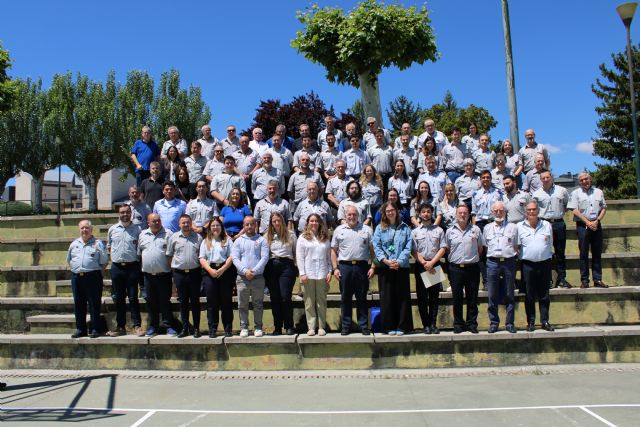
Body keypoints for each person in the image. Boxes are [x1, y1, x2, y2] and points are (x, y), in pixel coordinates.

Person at [331, 205, 375, 335]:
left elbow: (373, 251)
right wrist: (335, 268)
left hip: (362, 267)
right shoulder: (339, 230)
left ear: (359, 216)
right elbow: (333, 250)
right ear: (345, 216)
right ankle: (346, 326)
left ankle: (363, 326)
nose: (352, 216)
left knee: (362, 297)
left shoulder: (367, 230)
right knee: (345, 298)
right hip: (345, 267)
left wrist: (373, 267)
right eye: (349, 214)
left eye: (354, 214)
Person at [443, 204, 486, 334]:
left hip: (472, 268)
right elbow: (447, 248)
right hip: (456, 269)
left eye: (465, 213)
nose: (462, 215)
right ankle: (458, 323)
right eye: (460, 213)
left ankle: (472, 323)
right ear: (456, 215)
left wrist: (471, 258)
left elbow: (480, 248)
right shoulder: (449, 231)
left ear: (469, 215)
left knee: (472, 297)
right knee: (457, 298)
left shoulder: (476, 230)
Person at [373, 202, 413, 335]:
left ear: (397, 211)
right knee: (387, 298)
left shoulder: (405, 228)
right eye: (387, 211)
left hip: (401, 267)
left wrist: (399, 262)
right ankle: (388, 327)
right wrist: (386, 261)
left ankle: (402, 326)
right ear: (384, 213)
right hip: (385, 267)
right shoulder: (379, 228)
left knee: (402, 298)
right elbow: (376, 247)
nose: (390, 212)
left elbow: (408, 247)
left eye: (392, 210)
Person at [106, 205, 144, 337]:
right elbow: (109, 246)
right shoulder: (112, 229)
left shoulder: (138, 229)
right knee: (119, 298)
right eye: (122, 212)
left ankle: (137, 326)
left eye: (127, 212)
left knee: (133, 298)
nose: (125, 214)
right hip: (117, 268)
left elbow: (140, 248)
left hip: (132, 267)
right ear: (119, 214)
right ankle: (120, 327)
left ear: (131, 213)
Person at [518, 201, 555, 332]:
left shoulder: (546, 225)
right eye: (529, 210)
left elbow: (550, 243)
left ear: (538, 211)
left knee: (545, 294)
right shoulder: (519, 227)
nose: (532, 212)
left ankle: (545, 321)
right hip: (528, 265)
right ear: (526, 212)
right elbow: (517, 247)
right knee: (529, 295)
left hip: (544, 264)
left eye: (534, 209)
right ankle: (531, 322)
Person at [138, 214, 177, 337]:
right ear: (148, 222)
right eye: (154, 221)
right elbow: (139, 253)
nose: (157, 222)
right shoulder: (142, 234)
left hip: (164, 275)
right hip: (148, 275)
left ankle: (169, 326)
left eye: (159, 220)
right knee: (151, 302)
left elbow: (173, 254)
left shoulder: (168, 234)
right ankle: (153, 326)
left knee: (165, 301)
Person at [67, 220, 108, 338]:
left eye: (87, 228)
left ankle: (95, 329)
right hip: (77, 277)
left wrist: (96, 273)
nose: (84, 230)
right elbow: (69, 260)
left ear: (91, 230)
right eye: (82, 228)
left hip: (93, 277)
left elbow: (104, 262)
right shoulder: (74, 244)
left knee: (94, 304)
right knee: (79, 304)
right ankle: (81, 329)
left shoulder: (98, 243)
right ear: (79, 229)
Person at [567, 172, 608, 289]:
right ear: (579, 182)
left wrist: (597, 221)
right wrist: (587, 222)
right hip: (582, 225)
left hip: (596, 224)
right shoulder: (575, 193)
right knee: (583, 254)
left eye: (586, 179)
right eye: (582, 180)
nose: (584, 181)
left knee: (597, 253)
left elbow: (604, 208)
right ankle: (584, 280)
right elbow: (574, 210)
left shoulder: (598, 192)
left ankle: (598, 279)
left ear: (590, 179)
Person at [483, 202, 518, 333]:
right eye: (496, 210)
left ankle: (509, 323)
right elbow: (485, 245)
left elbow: (515, 245)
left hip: (508, 261)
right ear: (492, 212)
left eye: (501, 210)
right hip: (492, 262)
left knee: (510, 293)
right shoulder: (486, 228)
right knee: (492, 294)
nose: (498, 213)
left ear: (505, 212)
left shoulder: (513, 227)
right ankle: (494, 322)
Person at [411, 203, 447, 334]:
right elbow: (413, 250)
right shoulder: (415, 231)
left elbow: (443, 248)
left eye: (428, 211)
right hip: (421, 265)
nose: (426, 214)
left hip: (434, 264)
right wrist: (423, 262)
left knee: (434, 297)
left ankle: (433, 323)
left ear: (432, 213)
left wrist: (432, 262)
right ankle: (425, 324)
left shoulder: (439, 230)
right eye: (423, 212)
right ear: (419, 214)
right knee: (422, 297)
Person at [232, 216, 270, 337]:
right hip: (242, 278)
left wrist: (253, 271)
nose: (249, 227)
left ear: (255, 225)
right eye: (247, 224)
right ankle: (244, 327)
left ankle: (258, 327)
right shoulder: (238, 241)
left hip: (257, 277)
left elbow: (264, 258)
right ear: (243, 226)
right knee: (242, 304)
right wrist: (244, 271)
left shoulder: (262, 240)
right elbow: (235, 258)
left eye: (251, 224)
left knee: (257, 303)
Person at [532, 170, 571, 288]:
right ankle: (547, 279)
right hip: (543, 224)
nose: (545, 179)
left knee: (560, 252)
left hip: (558, 223)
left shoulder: (562, 191)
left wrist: (558, 215)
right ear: (540, 179)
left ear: (551, 177)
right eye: (543, 178)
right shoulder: (536, 194)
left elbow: (566, 205)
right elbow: (534, 209)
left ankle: (562, 279)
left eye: (547, 177)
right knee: (545, 252)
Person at [167, 215, 203, 338]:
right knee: (183, 303)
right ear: (179, 224)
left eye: (188, 222)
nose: (186, 225)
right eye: (183, 223)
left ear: (191, 223)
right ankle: (185, 328)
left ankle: (197, 328)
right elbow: (169, 256)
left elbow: (201, 255)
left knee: (195, 302)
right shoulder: (174, 237)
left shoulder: (198, 238)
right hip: (180, 274)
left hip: (194, 273)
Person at [296, 213, 332, 336]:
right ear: (307, 223)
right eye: (311, 221)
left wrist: (330, 271)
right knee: (309, 302)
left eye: (316, 221)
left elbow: (328, 257)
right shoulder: (302, 238)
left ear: (320, 223)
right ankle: (311, 327)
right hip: (308, 274)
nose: (314, 223)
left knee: (321, 301)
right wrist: (302, 273)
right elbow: (300, 257)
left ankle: (321, 327)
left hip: (322, 273)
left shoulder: (325, 238)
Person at [199, 217, 236, 338]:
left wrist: (222, 269)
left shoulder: (228, 240)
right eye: (213, 226)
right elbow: (202, 258)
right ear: (209, 228)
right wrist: (210, 270)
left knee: (226, 301)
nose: (215, 228)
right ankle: (212, 328)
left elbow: (231, 256)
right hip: (210, 272)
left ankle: (228, 328)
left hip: (225, 271)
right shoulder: (205, 241)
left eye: (217, 225)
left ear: (221, 227)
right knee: (212, 303)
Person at [265, 212, 298, 336]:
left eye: (278, 220)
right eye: (274, 221)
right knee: (275, 298)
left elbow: (295, 252)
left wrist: (297, 268)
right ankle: (277, 327)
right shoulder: (267, 236)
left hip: (287, 266)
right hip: (272, 266)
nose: (277, 223)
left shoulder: (290, 235)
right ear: (271, 223)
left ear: (282, 221)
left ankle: (289, 325)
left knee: (285, 296)